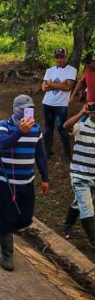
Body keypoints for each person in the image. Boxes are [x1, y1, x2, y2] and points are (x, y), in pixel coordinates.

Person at [0, 94, 50, 271]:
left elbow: (40, 155)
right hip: (7, 182)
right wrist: (20, 131)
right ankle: (7, 253)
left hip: (27, 181)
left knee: (26, 218)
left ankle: (6, 229)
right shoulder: (4, 126)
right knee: (8, 216)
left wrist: (45, 178)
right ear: (15, 109)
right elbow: (2, 145)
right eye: (24, 109)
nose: (28, 113)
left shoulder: (36, 129)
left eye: (31, 109)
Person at [62, 103, 95, 247]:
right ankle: (94, 241)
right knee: (87, 208)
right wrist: (82, 113)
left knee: (79, 201)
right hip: (80, 176)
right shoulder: (80, 127)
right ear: (90, 113)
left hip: (93, 177)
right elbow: (66, 126)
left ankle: (67, 225)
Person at [42, 48, 77, 160]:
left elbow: (68, 87)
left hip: (61, 105)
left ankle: (67, 155)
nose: (59, 59)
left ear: (65, 57)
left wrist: (51, 84)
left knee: (62, 129)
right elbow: (43, 87)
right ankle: (47, 151)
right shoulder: (50, 70)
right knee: (48, 129)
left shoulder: (71, 70)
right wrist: (60, 84)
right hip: (47, 103)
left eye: (61, 56)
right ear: (54, 58)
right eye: (57, 57)